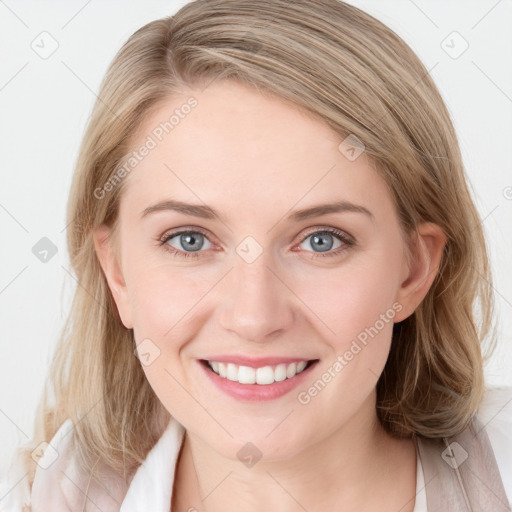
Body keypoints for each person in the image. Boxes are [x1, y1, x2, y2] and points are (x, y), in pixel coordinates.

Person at [1, 0, 511, 510]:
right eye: (190, 240)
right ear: (117, 273)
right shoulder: (41, 495)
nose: (254, 317)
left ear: (413, 271)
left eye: (322, 240)